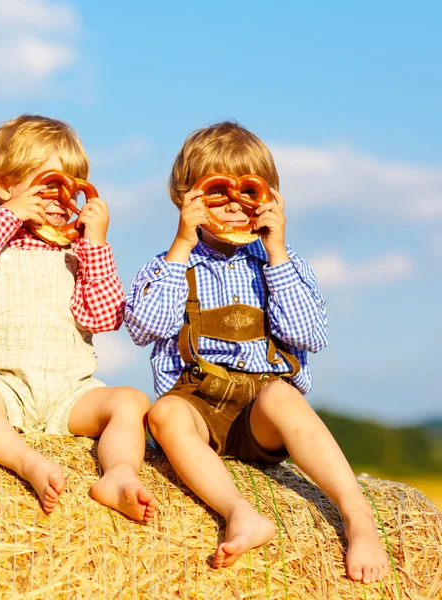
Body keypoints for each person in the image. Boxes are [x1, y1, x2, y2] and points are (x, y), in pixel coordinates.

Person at [124, 121, 388, 582]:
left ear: (269, 198)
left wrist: (278, 253)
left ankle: (356, 512)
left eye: (247, 191)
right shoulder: (168, 262)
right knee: (163, 413)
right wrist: (182, 244)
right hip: (197, 405)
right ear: (186, 199)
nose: (233, 203)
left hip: (260, 411)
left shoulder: (281, 261)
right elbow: (145, 328)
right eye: (216, 192)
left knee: (284, 396)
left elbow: (310, 335)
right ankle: (240, 512)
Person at [0, 115, 155, 521]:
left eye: (71, 186)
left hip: (71, 393)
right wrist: (4, 219)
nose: (61, 198)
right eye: (48, 184)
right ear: (5, 185)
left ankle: (119, 474)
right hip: (3, 387)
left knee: (131, 401)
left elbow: (104, 317)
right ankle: (27, 462)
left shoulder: (79, 252)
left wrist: (96, 244)